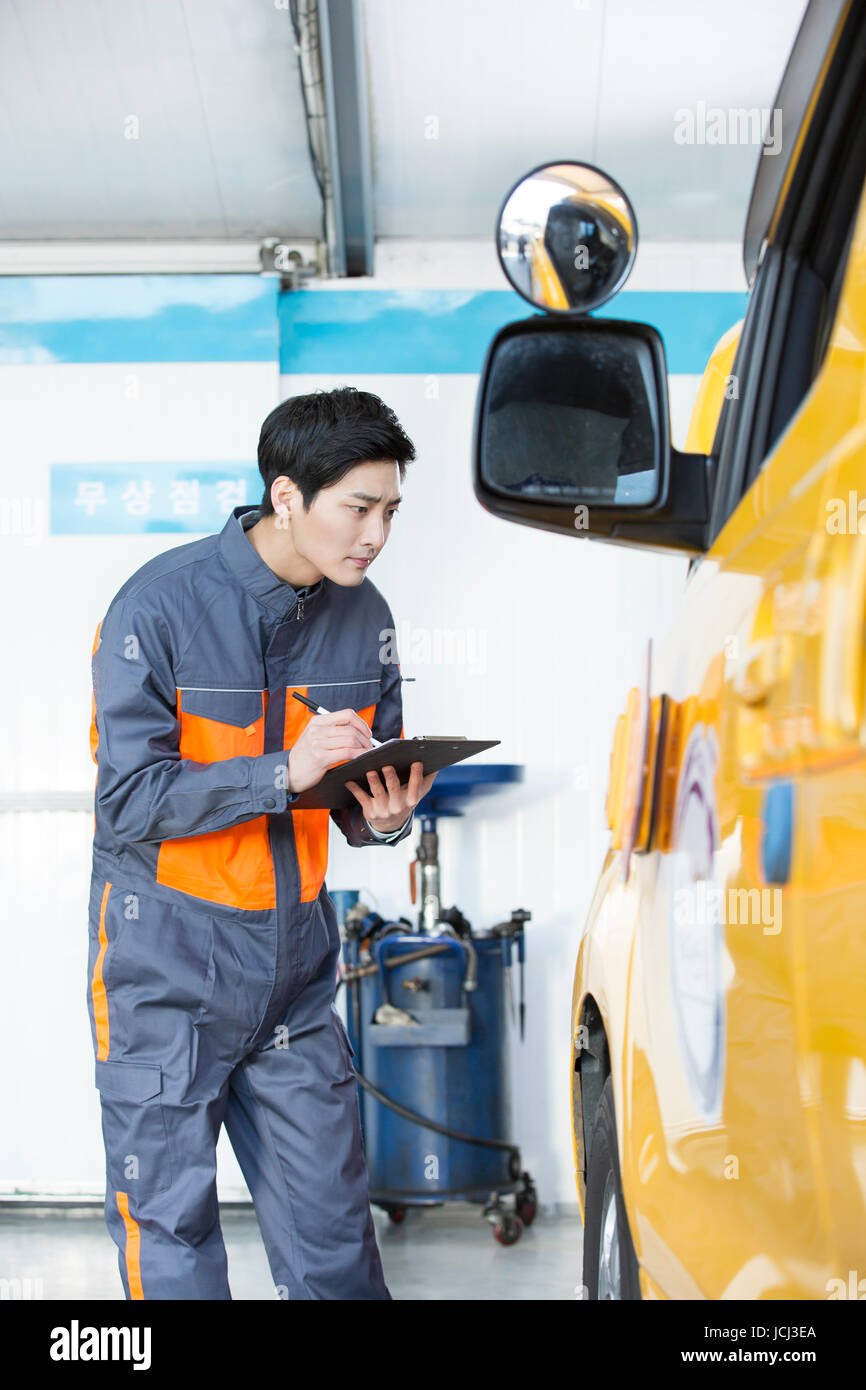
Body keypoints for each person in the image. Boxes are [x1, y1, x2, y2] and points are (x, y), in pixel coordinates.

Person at [86, 385, 436, 1299]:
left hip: (295, 969)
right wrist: (281, 771)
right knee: (172, 1233)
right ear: (287, 498)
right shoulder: (155, 609)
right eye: (358, 508)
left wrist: (387, 812)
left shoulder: (368, 618)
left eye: (390, 510)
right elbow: (127, 803)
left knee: (333, 1237)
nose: (376, 534)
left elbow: (354, 804)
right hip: (166, 966)